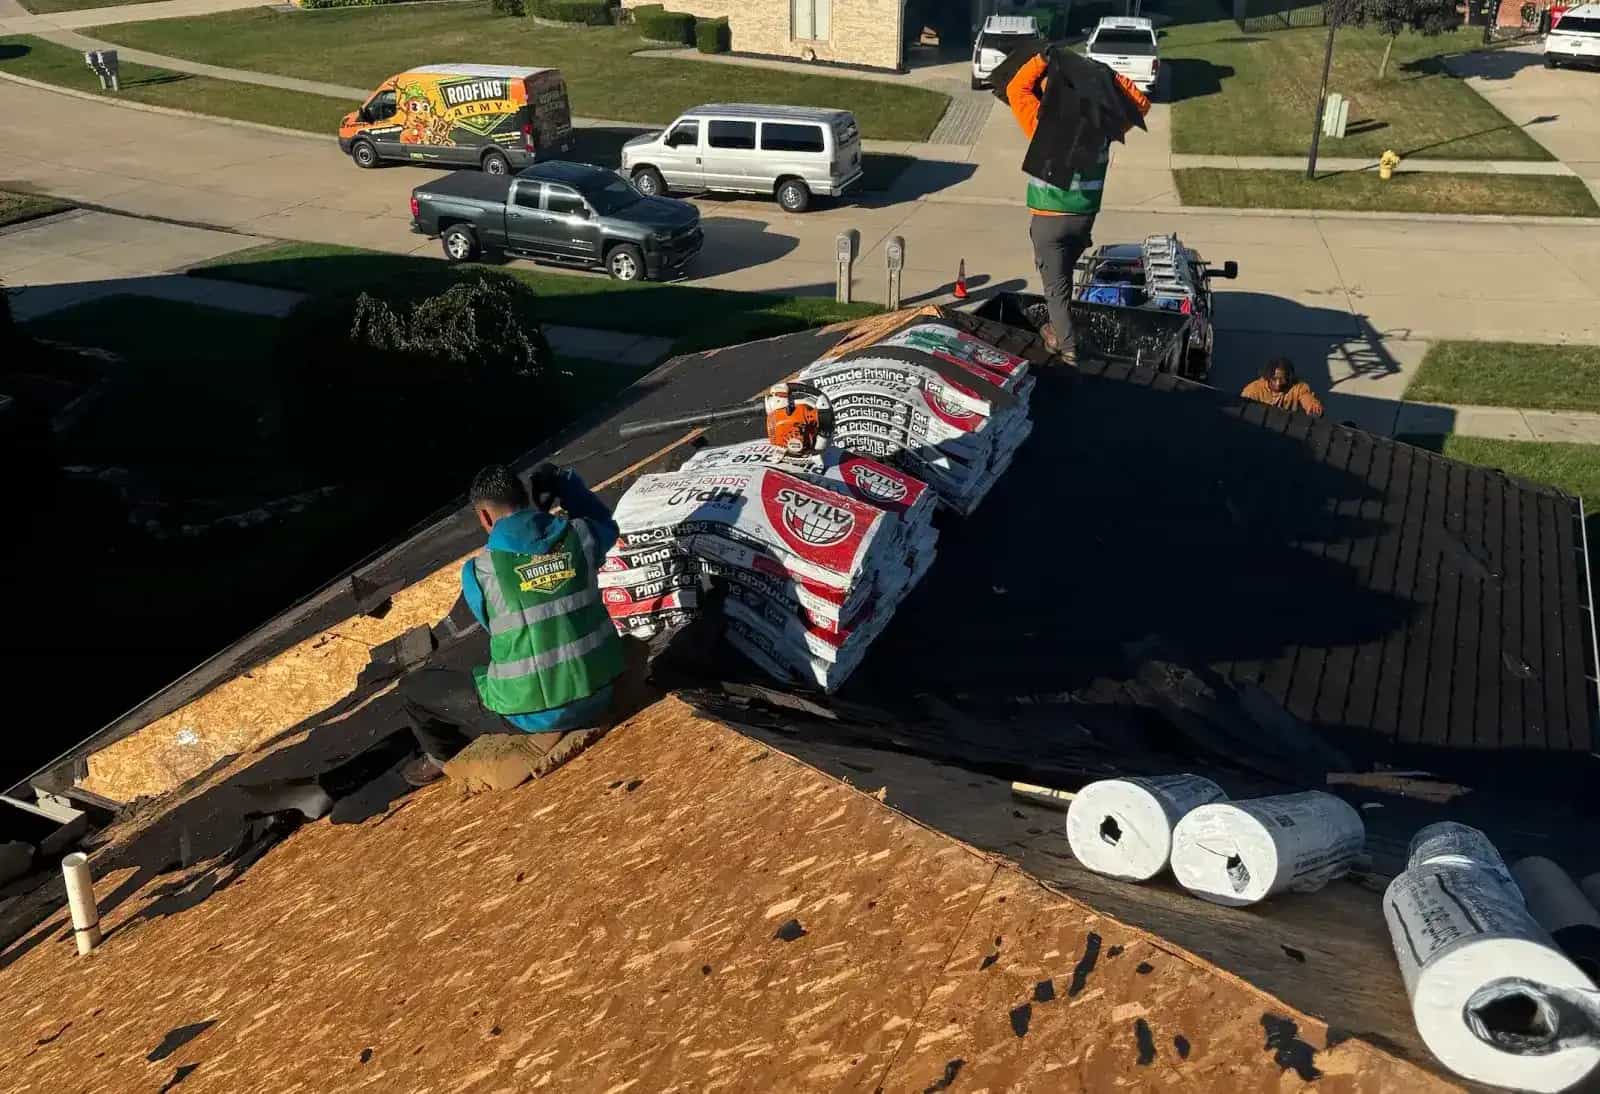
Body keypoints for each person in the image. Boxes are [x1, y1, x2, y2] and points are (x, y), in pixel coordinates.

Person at [399, 462, 626, 787]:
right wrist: (566, 485)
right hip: (601, 690)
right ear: (526, 500)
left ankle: (443, 760)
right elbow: (607, 524)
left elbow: (501, 633)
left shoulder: (479, 572)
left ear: (485, 517)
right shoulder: (581, 535)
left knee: (413, 688)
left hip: (532, 715)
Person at [1005, 49, 1150, 359]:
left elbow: (1015, 88)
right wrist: (1108, 76)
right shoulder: (1104, 129)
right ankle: (1060, 332)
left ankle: (1068, 351)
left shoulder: (1039, 124)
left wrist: (1042, 60)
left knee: (1055, 292)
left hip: (1048, 221)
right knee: (1063, 285)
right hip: (1083, 220)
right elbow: (1140, 104)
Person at [1240, 358, 1325, 417]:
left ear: (1289, 378)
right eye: (1274, 379)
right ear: (1268, 377)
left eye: (1282, 380)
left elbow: (1307, 398)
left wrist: (1313, 408)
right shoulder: (1253, 389)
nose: (1278, 384)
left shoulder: (1298, 387)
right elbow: (1242, 407)